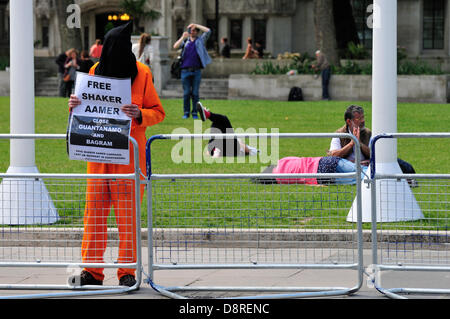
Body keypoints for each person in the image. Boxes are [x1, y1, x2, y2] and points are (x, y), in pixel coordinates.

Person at [67, 22, 165, 287]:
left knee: (128, 216)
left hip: (130, 159)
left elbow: (158, 111)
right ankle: (92, 272)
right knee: (94, 214)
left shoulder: (143, 73)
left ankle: (128, 272)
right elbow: (84, 111)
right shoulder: (94, 71)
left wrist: (140, 114)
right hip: (99, 155)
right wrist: (74, 105)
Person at [327, 104, 417, 178]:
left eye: (363, 117)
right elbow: (333, 156)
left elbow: (375, 154)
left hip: (367, 165)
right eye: (359, 119)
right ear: (349, 121)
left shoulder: (367, 132)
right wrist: (352, 144)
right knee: (372, 173)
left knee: (398, 163)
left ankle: (409, 179)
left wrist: (360, 144)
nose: (363, 121)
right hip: (348, 167)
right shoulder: (340, 134)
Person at [173, 23, 212, 119]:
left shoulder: (200, 41)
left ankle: (195, 112)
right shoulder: (185, 41)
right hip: (185, 71)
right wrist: (182, 37)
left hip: (196, 71)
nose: (192, 31)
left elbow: (208, 31)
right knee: (186, 93)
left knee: (195, 93)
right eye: (191, 30)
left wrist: (196, 25)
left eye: (194, 30)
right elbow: (175, 46)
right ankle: (186, 113)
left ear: (197, 32)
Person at [255, 156, 368, 185]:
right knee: (361, 169)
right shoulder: (282, 161)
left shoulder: (280, 178)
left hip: (319, 176)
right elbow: (298, 158)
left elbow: (301, 180)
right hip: (323, 161)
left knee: (355, 180)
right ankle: (381, 173)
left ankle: (375, 180)